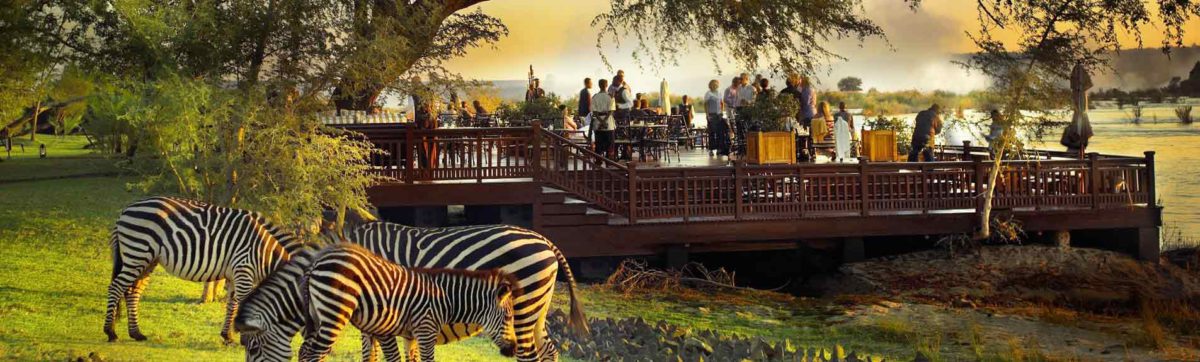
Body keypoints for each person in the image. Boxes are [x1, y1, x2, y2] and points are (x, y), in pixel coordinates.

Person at [591, 78, 616, 158]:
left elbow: (594, 112)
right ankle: (609, 161)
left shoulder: (595, 97)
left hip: (598, 122)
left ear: (599, 85)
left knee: (599, 143)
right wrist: (604, 121)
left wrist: (601, 121)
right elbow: (611, 111)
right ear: (606, 85)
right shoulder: (610, 96)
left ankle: (598, 160)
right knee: (610, 144)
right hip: (608, 123)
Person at [704, 80, 730, 157]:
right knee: (711, 132)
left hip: (719, 115)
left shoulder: (719, 93)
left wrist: (722, 111)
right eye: (714, 84)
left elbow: (722, 103)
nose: (715, 85)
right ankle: (711, 149)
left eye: (716, 84)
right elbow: (705, 104)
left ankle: (719, 149)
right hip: (711, 114)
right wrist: (707, 114)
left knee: (719, 132)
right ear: (710, 85)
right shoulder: (708, 93)